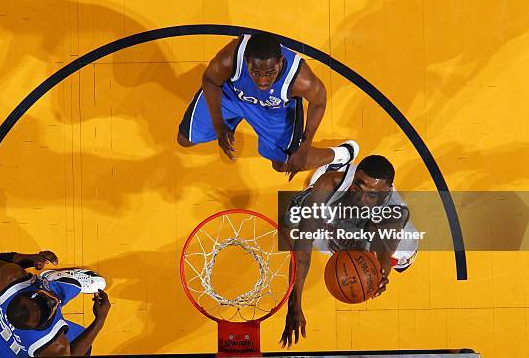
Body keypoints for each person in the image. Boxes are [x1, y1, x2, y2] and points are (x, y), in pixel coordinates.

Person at [280, 150, 419, 348]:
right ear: (353, 179)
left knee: (401, 256)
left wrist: (381, 274)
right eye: (357, 188)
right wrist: (295, 302)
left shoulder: (392, 213)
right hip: (339, 234)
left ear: (386, 193)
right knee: (298, 223)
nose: (361, 198)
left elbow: (384, 250)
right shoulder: (331, 184)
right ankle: (338, 159)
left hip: (385, 245)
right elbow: (303, 243)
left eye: (371, 195)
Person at [177, 31, 352, 180]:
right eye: (255, 72)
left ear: (280, 62)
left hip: (274, 110)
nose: (262, 81)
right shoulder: (230, 58)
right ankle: (231, 120)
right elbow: (210, 80)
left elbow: (319, 103)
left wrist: (304, 147)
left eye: (270, 73)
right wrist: (218, 124)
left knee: (283, 164)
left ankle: (342, 154)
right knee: (184, 139)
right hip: (232, 96)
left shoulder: (301, 80)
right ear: (246, 61)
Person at [0, 250, 110, 357]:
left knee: (53, 294)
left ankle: (51, 279)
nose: (52, 301)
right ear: (40, 324)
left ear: (25, 293)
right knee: (85, 348)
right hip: (14, 352)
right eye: (48, 310)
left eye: (43, 299)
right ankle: (54, 283)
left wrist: (31, 259)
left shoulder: (11, 278)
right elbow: (71, 354)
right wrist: (100, 319)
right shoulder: (51, 345)